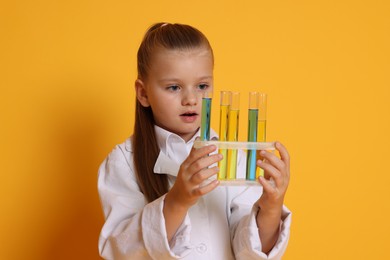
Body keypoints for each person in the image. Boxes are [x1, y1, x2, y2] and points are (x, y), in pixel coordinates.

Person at [98, 22, 291, 260]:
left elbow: (248, 251)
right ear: (143, 93)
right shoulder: (123, 163)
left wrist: (271, 207)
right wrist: (178, 200)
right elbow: (120, 251)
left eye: (202, 86)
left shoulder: (232, 158)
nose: (191, 99)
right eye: (173, 87)